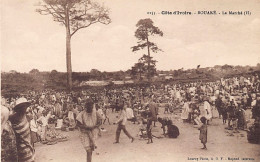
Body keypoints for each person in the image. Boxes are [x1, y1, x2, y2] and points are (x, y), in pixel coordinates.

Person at [9, 97, 35, 162]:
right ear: (18, 108)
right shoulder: (12, 118)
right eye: (22, 106)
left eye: (25, 106)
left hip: (28, 144)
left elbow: (30, 131)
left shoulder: (27, 116)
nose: (24, 108)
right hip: (19, 145)